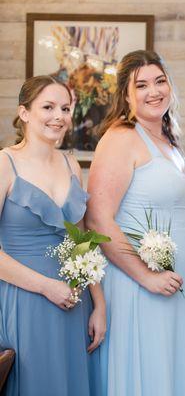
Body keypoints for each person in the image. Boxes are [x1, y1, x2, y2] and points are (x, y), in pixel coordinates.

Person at [85, 50, 185, 395]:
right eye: (142, 85)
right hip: (139, 283)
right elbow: (97, 219)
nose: (154, 92)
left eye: (160, 81)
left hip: (180, 280)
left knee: (173, 369)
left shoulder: (170, 141)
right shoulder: (122, 137)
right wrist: (146, 277)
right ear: (126, 95)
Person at [0, 75, 104, 395]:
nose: (58, 116)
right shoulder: (4, 163)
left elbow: (82, 239)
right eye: (48, 107)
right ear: (25, 112)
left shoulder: (71, 164)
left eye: (65, 108)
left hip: (74, 302)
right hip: (25, 298)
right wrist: (47, 287)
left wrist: (99, 304)